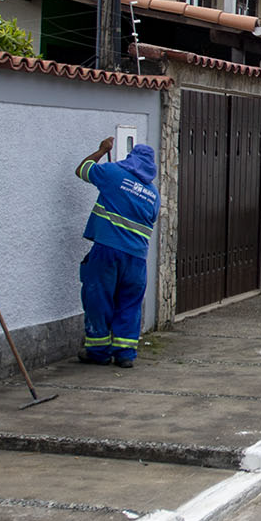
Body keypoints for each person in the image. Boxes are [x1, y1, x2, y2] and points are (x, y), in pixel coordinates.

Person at [75, 138, 159, 368]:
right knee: (129, 303)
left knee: (98, 298)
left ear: (131, 159)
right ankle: (125, 354)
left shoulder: (113, 173)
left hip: (108, 251)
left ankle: (99, 352)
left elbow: (82, 169)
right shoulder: (153, 194)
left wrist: (102, 150)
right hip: (137, 258)